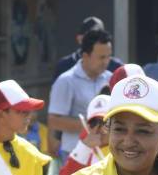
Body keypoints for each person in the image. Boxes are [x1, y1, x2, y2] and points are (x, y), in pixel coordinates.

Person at [49, 29, 115, 161]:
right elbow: (54, 121)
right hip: (74, 153)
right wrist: (93, 126)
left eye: (108, 57)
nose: (106, 62)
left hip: (105, 154)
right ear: (85, 56)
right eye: (101, 57)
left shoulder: (111, 78)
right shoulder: (66, 81)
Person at [57, 93, 111, 175]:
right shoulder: (85, 148)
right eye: (93, 122)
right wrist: (84, 147)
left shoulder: (123, 148)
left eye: (104, 122)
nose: (97, 128)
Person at [51, 17, 125, 82]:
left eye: (99, 36)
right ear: (79, 38)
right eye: (91, 36)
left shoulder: (116, 66)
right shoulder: (64, 66)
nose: (95, 40)